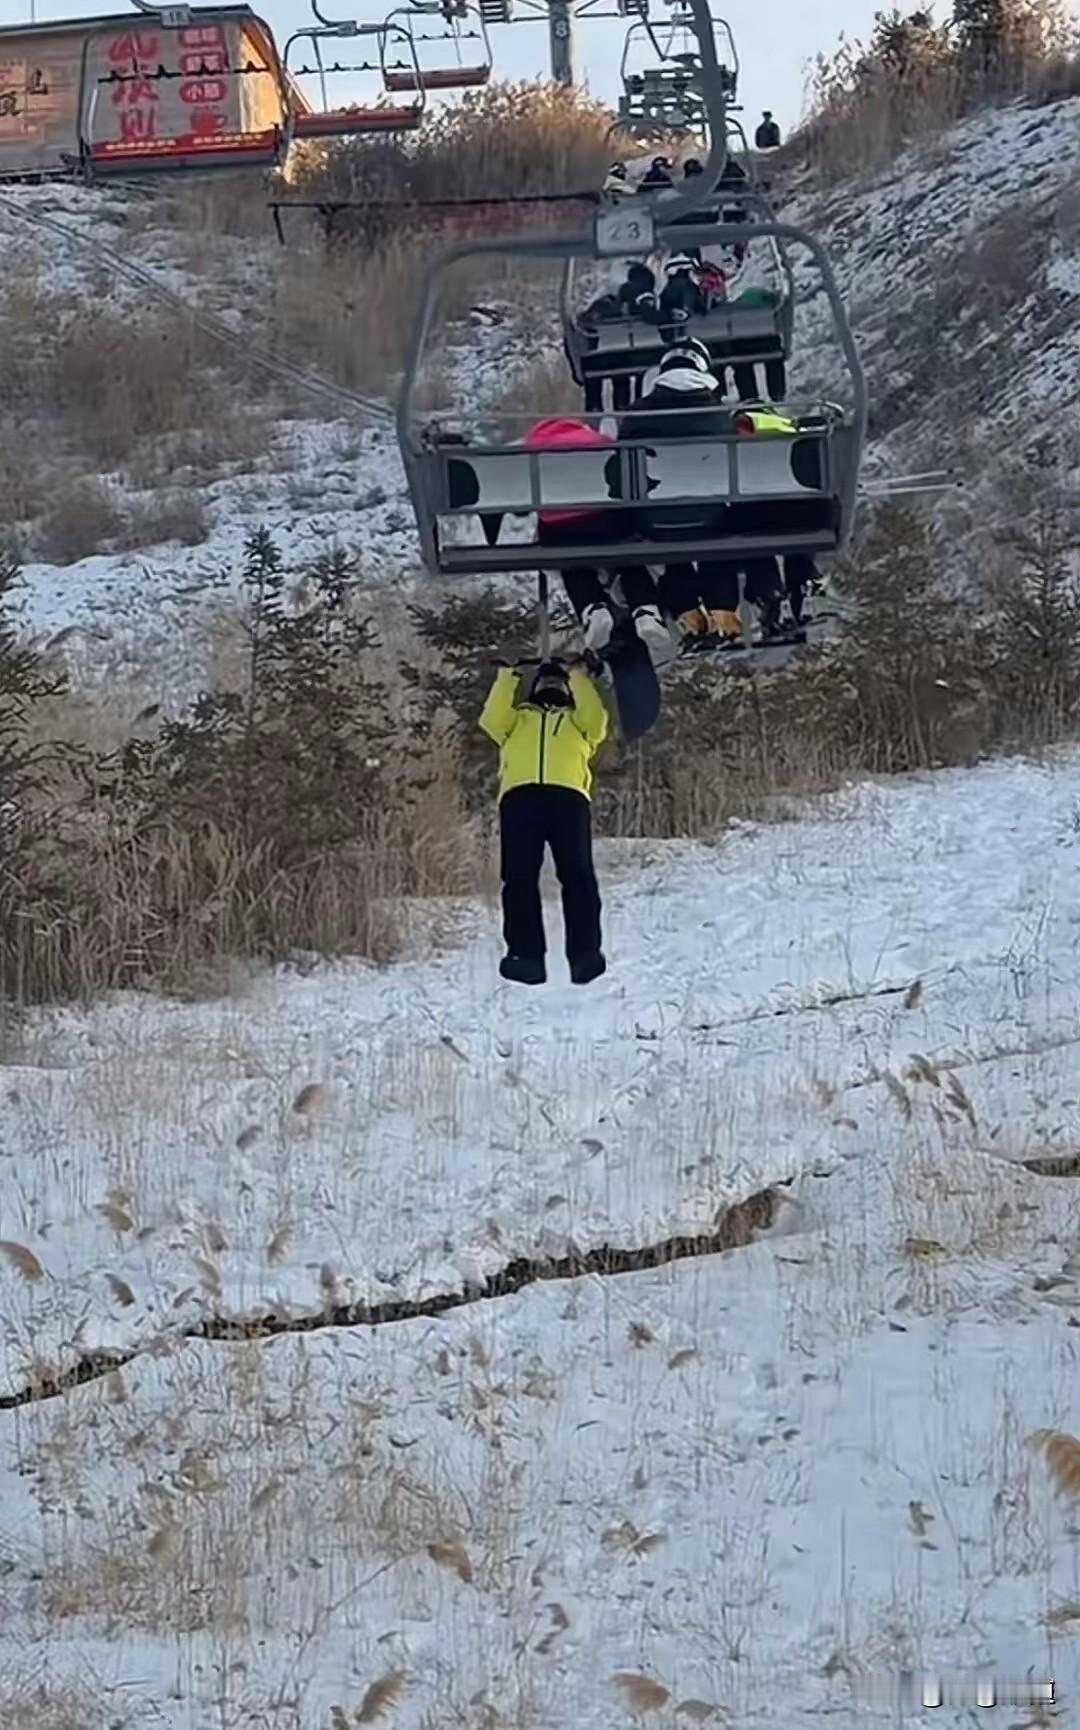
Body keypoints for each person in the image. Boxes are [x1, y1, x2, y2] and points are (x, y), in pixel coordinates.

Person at [479, 658, 609, 987]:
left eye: (557, 683)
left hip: (568, 800)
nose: (550, 688)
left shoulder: (577, 722)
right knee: (519, 879)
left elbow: (597, 722)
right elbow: (491, 720)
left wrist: (578, 676)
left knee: (578, 878)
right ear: (533, 688)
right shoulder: (518, 719)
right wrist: (507, 677)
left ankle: (584, 955)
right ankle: (526, 956)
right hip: (521, 799)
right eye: (544, 683)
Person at [611, 341, 745, 652]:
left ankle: (689, 620)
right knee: (717, 543)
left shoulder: (635, 416)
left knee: (675, 556)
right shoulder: (719, 414)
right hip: (710, 517)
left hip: (653, 522)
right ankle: (723, 619)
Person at [524, 418, 673, 669]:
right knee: (629, 557)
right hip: (604, 522)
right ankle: (646, 609)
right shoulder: (598, 443)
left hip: (559, 530)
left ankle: (592, 610)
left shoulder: (531, 452)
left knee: (572, 564)